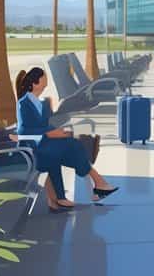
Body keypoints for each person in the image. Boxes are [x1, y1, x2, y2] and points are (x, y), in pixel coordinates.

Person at [15, 67, 117, 211]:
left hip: (45, 144)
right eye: (44, 80)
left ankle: (95, 184)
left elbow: (48, 124)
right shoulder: (23, 104)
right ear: (35, 83)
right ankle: (91, 185)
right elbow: (24, 130)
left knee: (72, 144)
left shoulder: (42, 103)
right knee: (64, 151)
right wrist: (49, 133)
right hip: (32, 147)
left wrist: (59, 131)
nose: (46, 84)